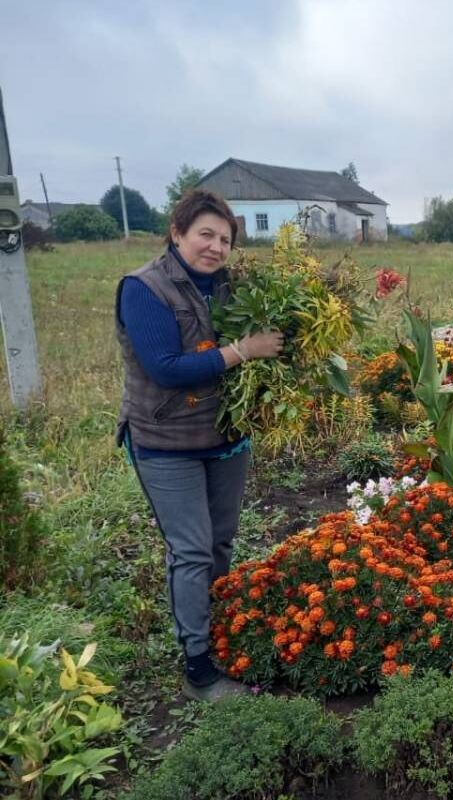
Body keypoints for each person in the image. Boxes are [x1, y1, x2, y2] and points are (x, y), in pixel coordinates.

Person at [115, 189, 284, 700]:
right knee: (189, 552)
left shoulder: (234, 286)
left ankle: (223, 636)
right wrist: (243, 351)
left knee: (220, 542)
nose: (214, 247)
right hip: (166, 442)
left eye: (225, 239)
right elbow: (166, 370)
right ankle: (198, 671)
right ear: (177, 234)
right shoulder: (144, 289)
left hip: (226, 438)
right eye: (204, 234)